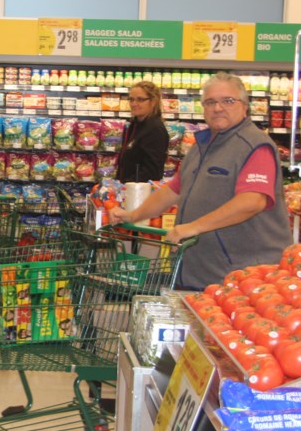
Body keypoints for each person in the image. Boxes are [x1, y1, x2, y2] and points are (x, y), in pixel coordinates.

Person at [108, 72, 290, 290]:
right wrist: (133, 214)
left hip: (242, 277)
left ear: (245, 106)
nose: (218, 108)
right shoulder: (202, 146)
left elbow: (253, 201)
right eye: (210, 102)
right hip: (201, 271)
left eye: (228, 101)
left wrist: (193, 227)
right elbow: (172, 191)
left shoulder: (255, 145)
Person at [116, 80, 169, 182]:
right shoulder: (135, 124)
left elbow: (152, 172)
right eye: (131, 99)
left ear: (153, 101)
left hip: (141, 192)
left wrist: (126, 186)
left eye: (140, 99)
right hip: (128, 190)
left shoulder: (155, 129)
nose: (134, 104)